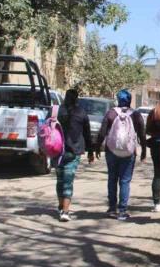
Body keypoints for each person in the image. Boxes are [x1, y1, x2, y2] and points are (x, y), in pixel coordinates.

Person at [97, 89, 146, 220]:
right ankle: (122, 211)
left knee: (112, 179)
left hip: (111, 151)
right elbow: (142, 134)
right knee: (125, 181)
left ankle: (112, 209)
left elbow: (102, 133)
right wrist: (144, 150)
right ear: (130, 100)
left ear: (118, 100)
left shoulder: (111, 113)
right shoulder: (135, 115)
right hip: (129, 152)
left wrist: (95, 148)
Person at [55, 89, 94, 222]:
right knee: (68, 181)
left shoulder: (56, 111)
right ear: (77, 99)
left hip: (57, 150)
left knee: (60, 180)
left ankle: (61, 206)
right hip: (73, 151)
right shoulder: (81, 113)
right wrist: (90, 151)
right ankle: (65, 211)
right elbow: (87, 134)